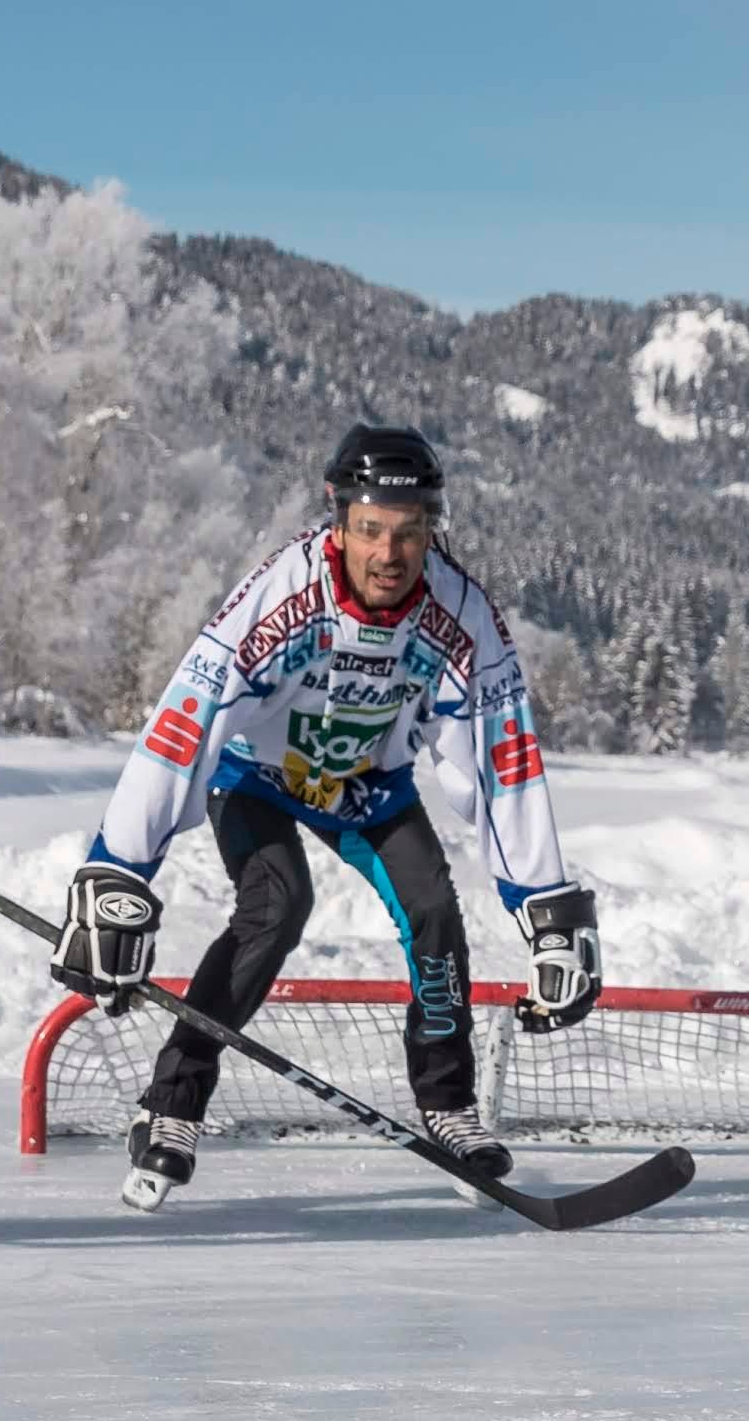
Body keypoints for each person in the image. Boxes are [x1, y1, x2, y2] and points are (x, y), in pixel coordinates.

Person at [57, 425, 603, 1210]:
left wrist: (545, 905)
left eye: (410, 532)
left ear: (433, 530)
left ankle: (448, 1103)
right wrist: (119, 869)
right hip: (256, 774)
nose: (390, 553)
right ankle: (173, 1103)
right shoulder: (282, 598)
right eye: (372, 529)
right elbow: (185, 722)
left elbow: (502, 757)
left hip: (368, 785)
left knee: (432, 908)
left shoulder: (461, 616)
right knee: (277, 906)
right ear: (338, 520)